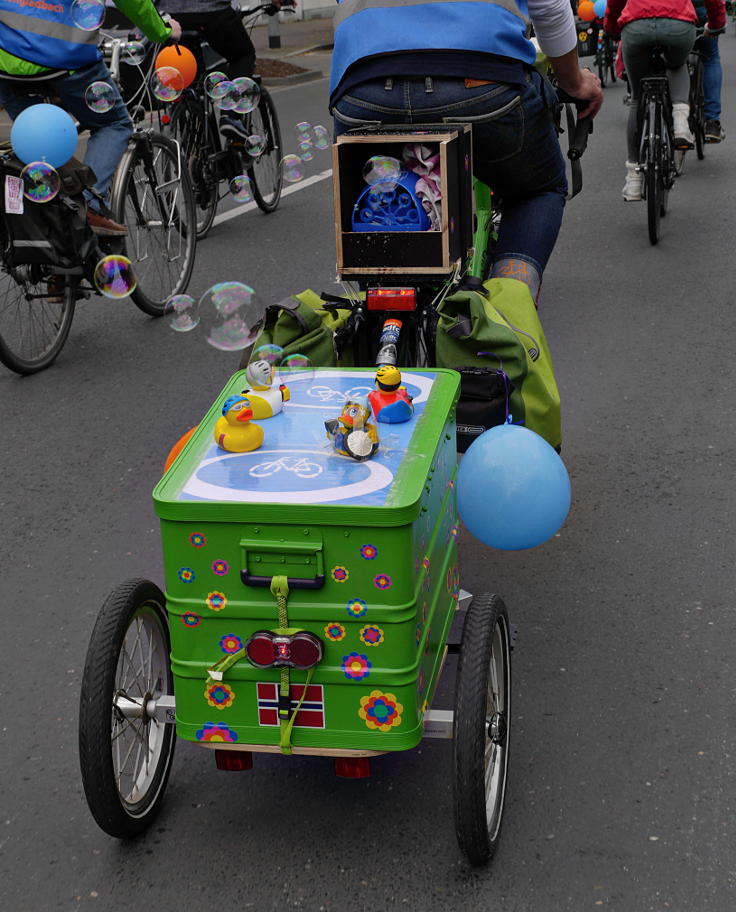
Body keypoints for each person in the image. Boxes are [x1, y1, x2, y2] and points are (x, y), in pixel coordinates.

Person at [329, 0, 604, 304]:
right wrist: (574, 82)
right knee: (537, 190)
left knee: (368, 194)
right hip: (481, 78)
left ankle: (380, 315)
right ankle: (510, 308)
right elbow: (550, 7)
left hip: (361, 84)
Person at [0, 0, 182, 236]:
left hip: (7, 67)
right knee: (114, 124)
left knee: (36, 146)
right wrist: (162, 31)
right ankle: (88, 208)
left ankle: (48, 241)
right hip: (66, 60)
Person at [604, 0, 725, 201]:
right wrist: (716, 23)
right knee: (677, 65)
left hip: (637, 25)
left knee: (637, 99)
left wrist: (611, 26)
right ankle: (680, 122)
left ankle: (634, 178)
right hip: (677, 23)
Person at [157, 0, 287, 142]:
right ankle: (230, 117)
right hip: (212, 13)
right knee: (243, 56)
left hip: (170, 18)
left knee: (189, 82)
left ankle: (191, 144)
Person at [692, 0, 727, 142]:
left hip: (669, 10)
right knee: (710, 57)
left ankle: (675, 115)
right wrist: (718, 22)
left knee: (673, 58)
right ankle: (712, 122)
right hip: (700, 7)